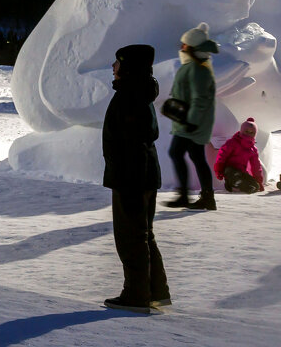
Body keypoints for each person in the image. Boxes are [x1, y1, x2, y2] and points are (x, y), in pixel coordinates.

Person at [102, 44, 170, 313]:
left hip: (130, 175)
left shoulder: (130, 94)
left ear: (128, 67)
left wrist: (119, 169)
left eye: (117, 62)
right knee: (143, 233)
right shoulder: (139, 91)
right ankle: (156, 291)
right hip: (143, 172)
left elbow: (128, 139)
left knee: (131, 236)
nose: (113, 66)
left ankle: (136, 294)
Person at [164, 22, 218, 211]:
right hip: (191, 121)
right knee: (197, 156)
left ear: (192, 47)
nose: (181, 47)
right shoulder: (195, 66)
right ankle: (207, 198)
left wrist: (190, 122)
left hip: (191, 123)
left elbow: (200, 99)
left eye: (184, 44)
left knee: (176, 153)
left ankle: (185, 197)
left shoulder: (198, 69)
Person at [214, 117, 265, 193]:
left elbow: (256, 166)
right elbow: (222, 155)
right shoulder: (233, 143)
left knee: (256, 185)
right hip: (229, 170)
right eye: (246, 131)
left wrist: (259, 181)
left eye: (251, 132)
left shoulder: (253, 149)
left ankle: (245, 185)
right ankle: (235, 184)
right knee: (234, 175)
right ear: (241, 131)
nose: (248, 134)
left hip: (242, 172)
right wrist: (219, 169)